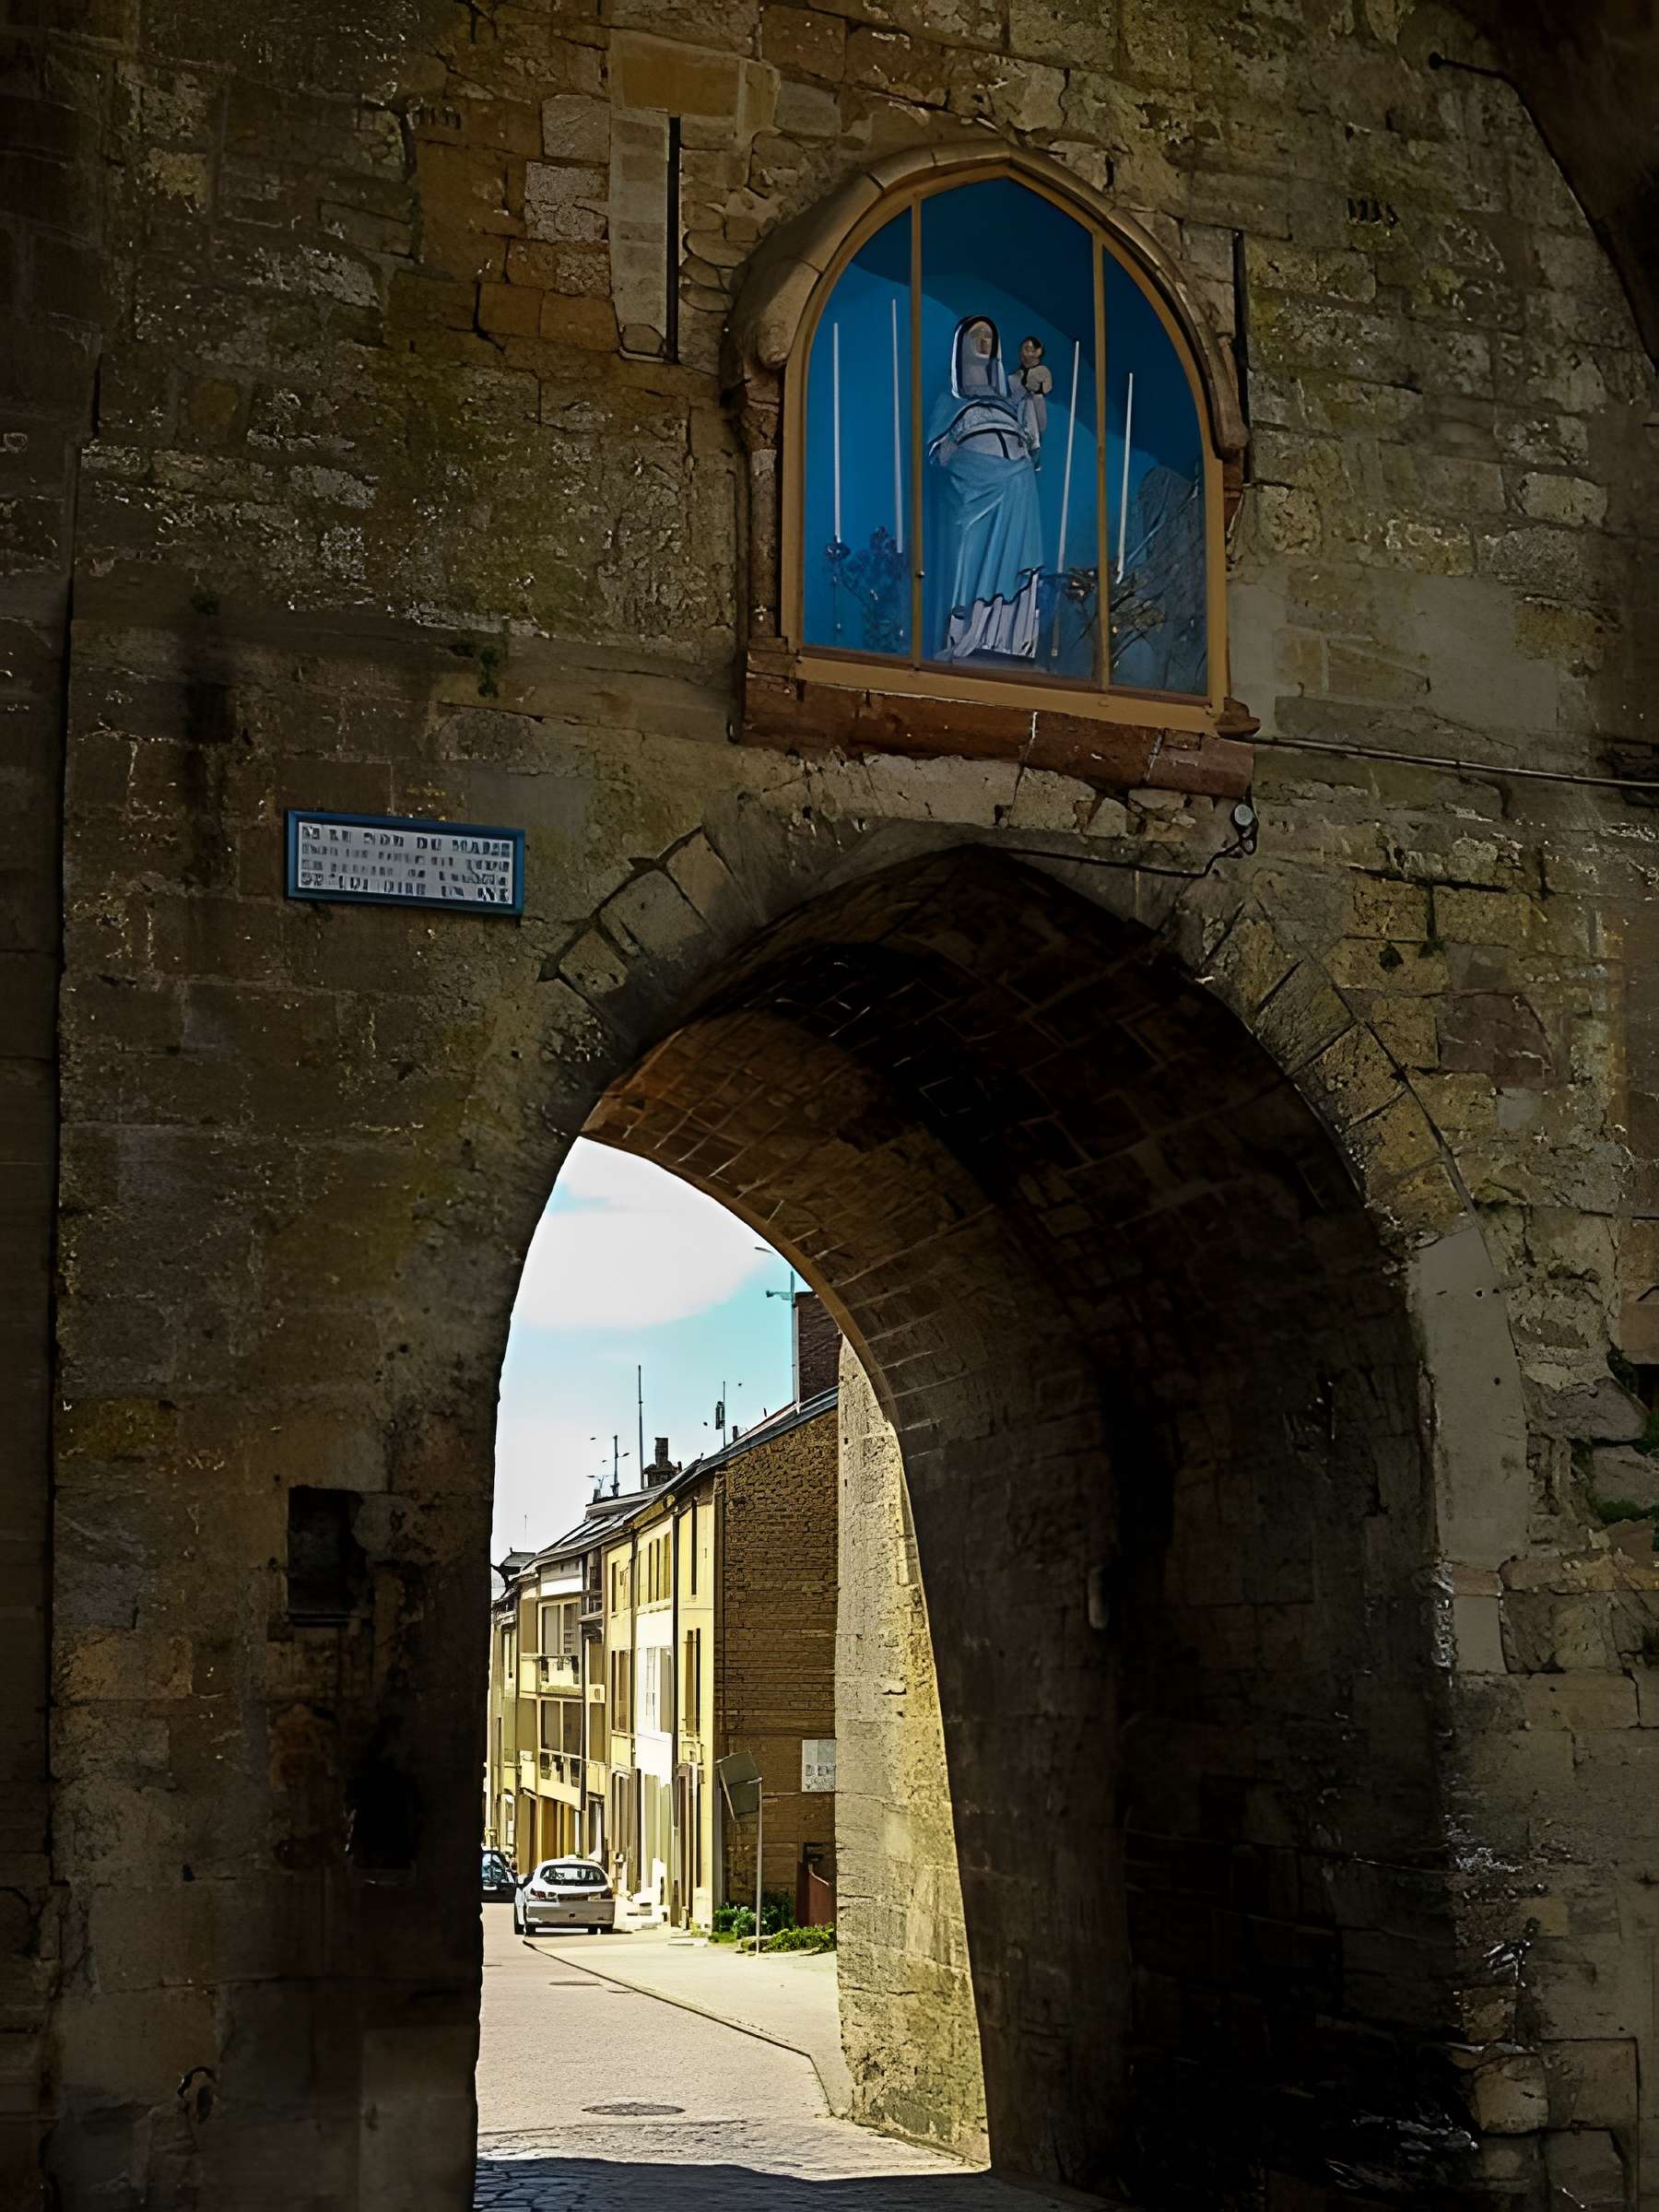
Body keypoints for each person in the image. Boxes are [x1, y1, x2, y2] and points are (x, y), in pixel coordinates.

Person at [924, 315, 1043, 664]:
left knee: (1015, 559)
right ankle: (966, 635)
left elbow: (1035, 439)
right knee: (971, 555)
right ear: (961, 344)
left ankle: (1008, 639)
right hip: (974, 490)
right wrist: (965, 457)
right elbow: (938, 455)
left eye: (990, 336)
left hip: (1019, 484)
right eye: (977, 335)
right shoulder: (950, 399)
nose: (984, 342)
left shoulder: (1009, 399)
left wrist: (1032, 398)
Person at [1015, 334, 1053, 461]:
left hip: (1029, 441)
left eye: (1032, 351)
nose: (1028, 355)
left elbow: (1041, 425)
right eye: (1026, 349)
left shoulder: (1040, 376)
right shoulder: (1014, 378)